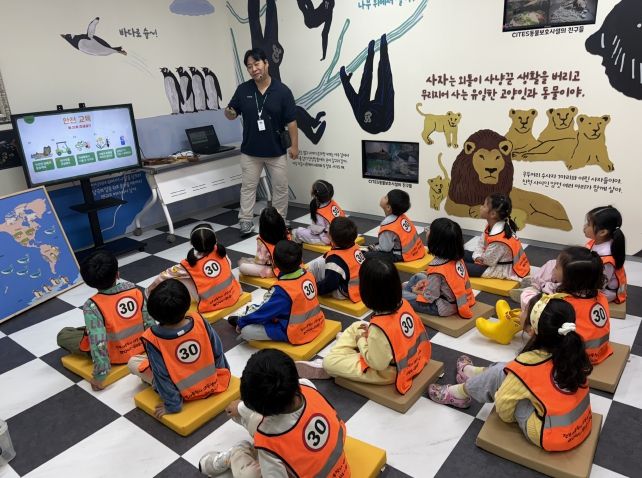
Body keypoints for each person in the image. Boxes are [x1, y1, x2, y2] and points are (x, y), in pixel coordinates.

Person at [429, 294, 593, 452]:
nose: (520, 312)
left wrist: (511, 406)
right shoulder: (571, 353)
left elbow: (503, 410)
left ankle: (459, 392)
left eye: (524, 310)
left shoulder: (527, 364)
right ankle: (475, 374)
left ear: (531, 330)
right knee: (510, 370)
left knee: (505, 373)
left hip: (548, 435)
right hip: (580, 425)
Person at [199, 349, 350, 477]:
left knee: (248, 474)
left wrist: (242, 408)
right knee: (254, 419)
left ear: (264, 411)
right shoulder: (307, 386)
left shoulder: (269, 439)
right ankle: (239, 410)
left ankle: (236, 453)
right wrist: (240, 407)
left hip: (281, 453)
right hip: (341, 469)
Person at [297, 258, 431, 394]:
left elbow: (377, 364)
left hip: (388, 372)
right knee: (359, 325)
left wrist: (361, 341)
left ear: (367, 292)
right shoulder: (404, 304)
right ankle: (346, 350)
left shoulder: (379, 330)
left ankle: (328, 366)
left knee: (329, 362)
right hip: (410, 359)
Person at [129, 279, 230, 417]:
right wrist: (222, 377)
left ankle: (154, 385)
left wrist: (172, 405)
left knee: (133, 362)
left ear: (154, 313)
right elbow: (217, 351)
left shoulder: (152, 337)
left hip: (183, 392)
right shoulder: (199, 320)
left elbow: (162, 375)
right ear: (187, 304)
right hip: (212, 383)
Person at [225, 47, 298, 236]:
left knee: (280, 187)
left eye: (256, 64)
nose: (253, 69)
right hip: (250, 151)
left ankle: (279, 219)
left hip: (276, 150)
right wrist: (229, 112)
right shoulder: (243, 89)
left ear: (266, 63)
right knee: (248, 187)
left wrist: (294, 146)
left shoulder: (282, 91)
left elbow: (291, 121)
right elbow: (231, 112)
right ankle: (245, 220)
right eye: (249, 66)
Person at [56, 250, 153, 391]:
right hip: (142, 349)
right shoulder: (135, 291)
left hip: (116, 356)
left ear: (89, 282)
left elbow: (98, 344)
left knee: (64, 334)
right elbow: (150, 323)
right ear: (117, 274)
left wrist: (100, 376)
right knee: (92, 328)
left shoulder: (92, 305)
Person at [228, 240, 325, 344]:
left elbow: (264, 312)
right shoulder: (309, 275)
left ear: (275, 264)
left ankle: (244, 318)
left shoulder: (283, 289)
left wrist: (241, 321)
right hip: (317, 322)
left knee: (247, 331)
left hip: (297, 332)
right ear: (300, 259)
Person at [146, 224, 241, 314]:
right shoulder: (221, 251)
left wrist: (148, 291)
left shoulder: (187, 265)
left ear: (191, 243)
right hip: (233, 294)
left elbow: (162, 276)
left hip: (210, 304)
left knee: (176, 277)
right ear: (215, 239)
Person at [402, 218, 475, 318]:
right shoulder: (456, 258)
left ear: (435, 240)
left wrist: (416, 291)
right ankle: (408, 292)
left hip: (442, 307)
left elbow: (430, 297)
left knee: (399, 295)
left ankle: (404, 296)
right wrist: (427, 282)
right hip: (459, 300)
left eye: (429, 230)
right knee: (418, 276)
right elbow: (448, 281)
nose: (427, 231)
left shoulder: (437, 267)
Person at [464, 192, 530, 280]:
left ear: (493, 214)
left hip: (497, 268)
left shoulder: (499, 239)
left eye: (484, 205)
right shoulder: (492, 225)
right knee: (460, 253)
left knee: (459, 266)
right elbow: (481, 244)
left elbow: (487, 262)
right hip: (488, 258)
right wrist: (477, 256)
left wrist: (477, 257)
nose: (481, 207)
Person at [306, 216, 365, 302]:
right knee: (321, 262)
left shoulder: (335, 260)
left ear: (331, 238)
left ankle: (303, 281)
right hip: (362, 287)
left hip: (346, 291)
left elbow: (329, 285)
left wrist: (315, 288)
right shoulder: (355, 246)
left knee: (317, 265)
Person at [366, 188, 425, 263]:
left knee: (366, 256)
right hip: (417, 250)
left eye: (386, 197)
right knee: (377, 244)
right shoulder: (402, 217)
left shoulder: (389, 225)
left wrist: (375, 249)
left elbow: (385, 248)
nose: (383, 197)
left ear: (388, 207)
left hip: (402, 255)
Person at [584, 206, 627, 303]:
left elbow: (600, 285)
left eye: (588, 224)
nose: (585, 226)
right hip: (593, 278)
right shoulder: (597, 241)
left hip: (605, 291)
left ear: (602, 232)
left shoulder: (606, 258)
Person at [238, 206, 289, 278]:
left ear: (262, 226)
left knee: (242, 265)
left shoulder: (262, 241)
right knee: (247, 260)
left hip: (276, 270)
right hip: (292, 266)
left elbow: (260, 261)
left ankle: (272, 272)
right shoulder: (287, 234)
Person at [291, 179, 345, 245]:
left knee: (297, 232)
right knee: (307, 229)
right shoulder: (332, 202)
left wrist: (311, 228)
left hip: (329, 239)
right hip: (341, 233)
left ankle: (297, 244)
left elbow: (316, 231)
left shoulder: (320, 211)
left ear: (315, 193)